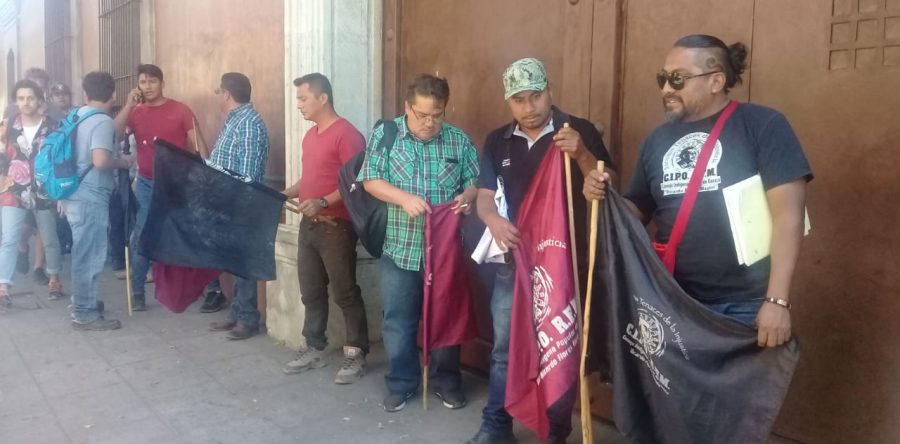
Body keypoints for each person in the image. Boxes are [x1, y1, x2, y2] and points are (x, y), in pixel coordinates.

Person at [584, 34, 811, 348]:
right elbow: (637, 208)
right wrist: (603, 194)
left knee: (738, 399)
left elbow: (788, 215)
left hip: (745, 305)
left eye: (677, 79)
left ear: (716, 80)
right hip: (672, 299)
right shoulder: (657, 140)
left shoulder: (763, 125)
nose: (666, 89)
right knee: (675, 398)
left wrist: (777, 300)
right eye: (662, 78)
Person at [468, 58, 615, 444]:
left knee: (561, 351)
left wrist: (582, 154)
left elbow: (605, 184)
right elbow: (485, 197)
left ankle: (555, 433)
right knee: (504, 349)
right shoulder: (497, 140)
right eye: (519, 100)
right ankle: (495, 427)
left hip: (565, 265)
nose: (529, 107)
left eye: (536, 96)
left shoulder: (576, 130)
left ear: (550, 90)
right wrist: (494, 222)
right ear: (508, 102)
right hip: (514, 263)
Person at [359, 74, 479, 412]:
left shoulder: (458, 140)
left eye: (437, 114)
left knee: (445, 316)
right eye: (421, 115)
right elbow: (371, 180)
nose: (429, 123)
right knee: (398, 318)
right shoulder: (387, 135)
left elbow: (474, 182)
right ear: (407, 107)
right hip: (400, 247)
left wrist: (467, 198)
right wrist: (402, 198)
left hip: (444, 251)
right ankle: (402, 382)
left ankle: (446, 381)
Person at [279, 73, 370, 384]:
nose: (299, 105)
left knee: (345, 293)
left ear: (322, 98)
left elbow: (357, 183)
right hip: (309, 226)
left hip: (337, 226)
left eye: (303, 98)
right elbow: (311, 177)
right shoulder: (311, 136)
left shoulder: (348, 135)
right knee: (311, 292)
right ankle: (314, 346)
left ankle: (356, 353)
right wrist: (289, 193)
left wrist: (322, 201)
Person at [113, 64, 205, 311]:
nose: (148, 86)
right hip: (146, 183)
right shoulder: (137, 112)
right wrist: (129, 105)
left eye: (152, 81)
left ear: (162, 83)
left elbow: (198, 144)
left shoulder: (181, 110)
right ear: (138, 85)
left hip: (178, 182)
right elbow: (116, 133)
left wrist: (205, 171)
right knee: (143, 234)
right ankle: (138, 290)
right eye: (143, 82)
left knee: (189, 231)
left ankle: (209, 288)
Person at [66, 71, 135, 330]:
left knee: (82, 251)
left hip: (73, 193)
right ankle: (84, 313)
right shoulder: (101, 122)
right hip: (91, 196)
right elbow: (101, 161)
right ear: (112, 93)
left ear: (85, 94)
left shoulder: (79, 115)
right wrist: (124, 161)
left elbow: (111, 132)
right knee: (90, 255)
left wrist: (129, 106)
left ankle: (82, 301)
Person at [205, 72, 270, 340]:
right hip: (225, 203)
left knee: (243, 265)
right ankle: (236, 312)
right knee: (233, 262)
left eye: (218, 92)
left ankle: (247, 318)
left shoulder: (248, 124)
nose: (218, 97)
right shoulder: (234, 122)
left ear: (227, 93)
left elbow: (248, 175)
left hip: (240, 205)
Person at [0, 79, 65, 308]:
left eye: (30, 98)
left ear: (39, 100)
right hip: (13, 189)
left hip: (44, 189)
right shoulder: (7, 126)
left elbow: (60, 159)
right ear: (16, 101)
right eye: (21, 98)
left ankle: (54, 278)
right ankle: (3, 286)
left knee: (49, 237)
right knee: (9, 237)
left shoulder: (53, 126)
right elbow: (0, 156)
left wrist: (61, 193)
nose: (26, 102)